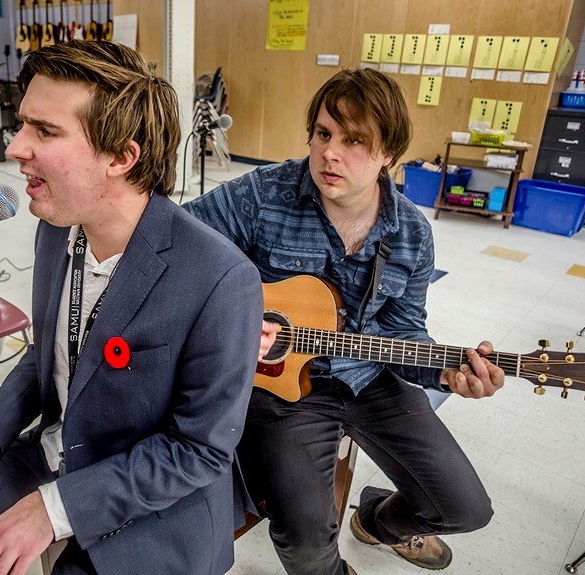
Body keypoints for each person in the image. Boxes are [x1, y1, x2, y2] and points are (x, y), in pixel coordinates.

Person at [0, 39, 264, 575]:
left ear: (122, 157)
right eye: (23, 123)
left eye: (45, 131)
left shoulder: (220, 278)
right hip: (53, 453)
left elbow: (198, 451)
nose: (14, 147)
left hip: (153, 505)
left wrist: (55, 510)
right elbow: (52, 356)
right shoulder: (56, 229)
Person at [185, 67, 505, 575]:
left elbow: (405, 329)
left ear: (388, 157)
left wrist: (446, 372)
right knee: (306, 544)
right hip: (283, 388)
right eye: (323, 134)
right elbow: (175, 245)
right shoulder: (263, 194)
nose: (330, 153)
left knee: (465, 509)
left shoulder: (411, 234)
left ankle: (376, 522)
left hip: (369, 377)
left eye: (355, 140)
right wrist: (232, 321)